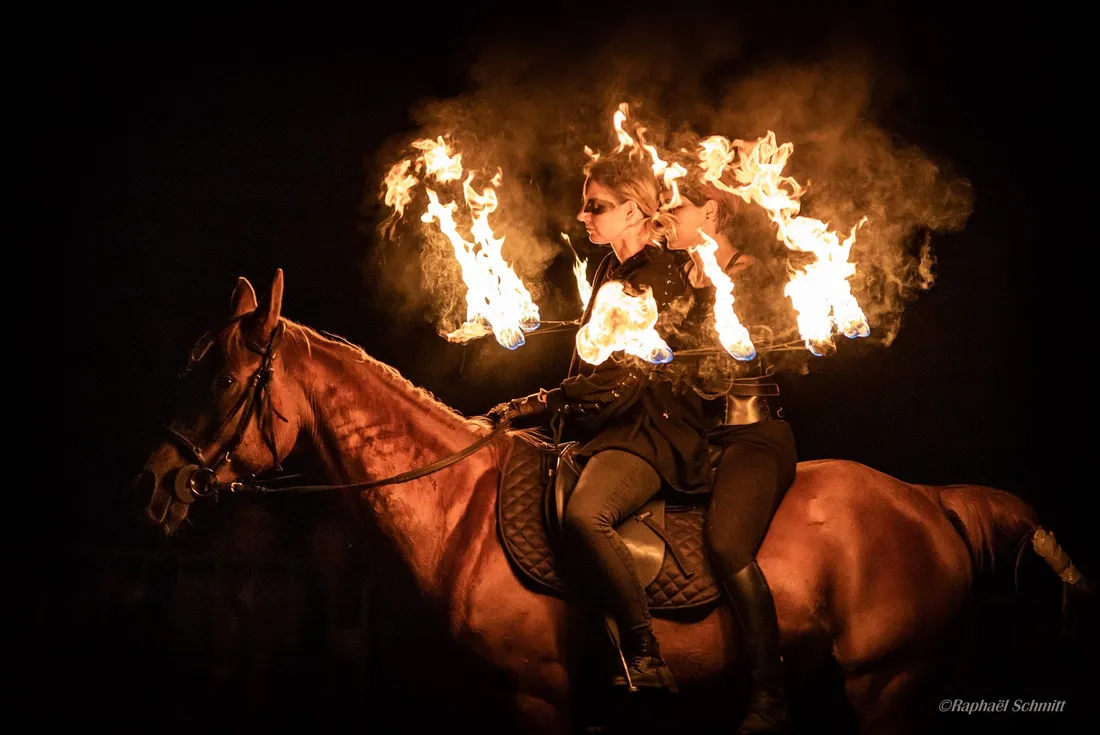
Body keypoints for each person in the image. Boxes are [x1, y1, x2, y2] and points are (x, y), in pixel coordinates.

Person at [489, 151, 713, 693]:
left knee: (587, 515)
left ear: (633, 211)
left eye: (596, 206)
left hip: (653, 433)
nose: (583, 216)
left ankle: (645, 655)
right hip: (614, 427)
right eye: (585, 206)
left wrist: (542, 402)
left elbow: (621, 381)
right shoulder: (611, 270)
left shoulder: (655, 274)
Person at [662, 165, 799, 734]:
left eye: (675, 206)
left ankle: (771, 693)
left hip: (752, 437)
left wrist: (679, 326)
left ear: (711, 212)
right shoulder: (677, 279)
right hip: (694, 440)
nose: (663, 217)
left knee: (726, 543)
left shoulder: (753, 276)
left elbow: (723, 365)